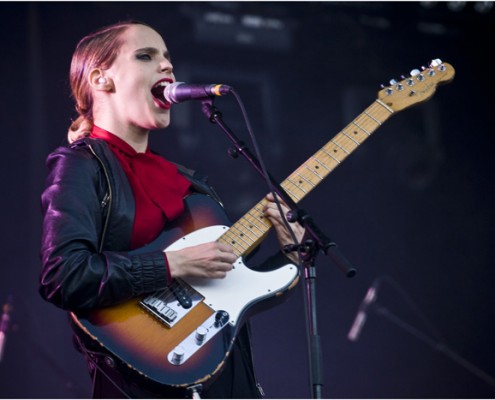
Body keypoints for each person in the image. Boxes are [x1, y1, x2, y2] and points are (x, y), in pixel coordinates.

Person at [39, 20, 305, 399]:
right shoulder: (81, 165)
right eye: (147, 56)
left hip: (226, 377)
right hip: (141, 384)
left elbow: (233, 286)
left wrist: (290, 250)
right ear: (101, 79)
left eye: (168, 59)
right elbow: (63, 275)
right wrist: (173, 264)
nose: (167, 67)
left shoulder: (188, 182)